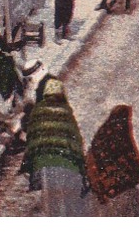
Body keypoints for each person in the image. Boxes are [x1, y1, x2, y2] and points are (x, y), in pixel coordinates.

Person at [22, 76, 89, 215]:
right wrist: (82, 167)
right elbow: (75, 140)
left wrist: (31, 166)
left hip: (44, 165)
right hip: (68, 163)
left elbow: (32, 138)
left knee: (52, 205)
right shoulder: (65, 111)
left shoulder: (37, 110)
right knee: (72, 202)